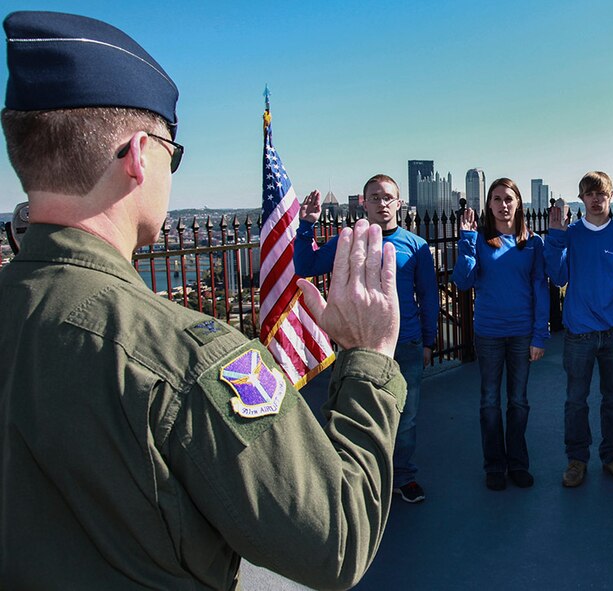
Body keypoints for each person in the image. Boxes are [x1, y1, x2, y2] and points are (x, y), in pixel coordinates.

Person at [0, 11, 406, 590]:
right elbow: (337, 540)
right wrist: (368, 358)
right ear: (139, 154)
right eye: (174, 153)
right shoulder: (186, 361)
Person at [295, 176, 439, 503]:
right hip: (358, 344)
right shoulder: (350, 241)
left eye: (388, 197)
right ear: (364, 203)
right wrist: (307, 225)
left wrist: (428, 342)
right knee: (358, 413)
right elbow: (306, 265)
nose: (382, 203)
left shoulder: (415, 246)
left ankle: (401, 476)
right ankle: (366, 479)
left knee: (406, 416)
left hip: (406, 343)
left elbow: (428, 296)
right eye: (375, 197)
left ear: (399, 203)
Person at [545, 171, 613, 487]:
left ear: (610, 196)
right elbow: (558, 277)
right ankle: (577, 460)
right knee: (576, 401)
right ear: (582, 199)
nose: (596, 199)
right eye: (589, 194)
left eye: (601, 194)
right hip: (579, 335)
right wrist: (555, 238)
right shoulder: (570, 234)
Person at [452, 178, 550, 491]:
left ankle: (518, 464)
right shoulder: (479, 239)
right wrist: (467, 241)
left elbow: (540, 288)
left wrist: (539, 335)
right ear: (489, 205)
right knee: (490, 402)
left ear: (518, 203)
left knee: (518, 402)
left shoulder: (532, 242)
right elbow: (463, 281)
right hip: (489, 333)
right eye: (496, 199)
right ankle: (494, 466)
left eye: (508, 198)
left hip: (522, 333)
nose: (503, 204)